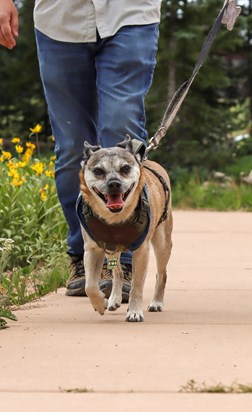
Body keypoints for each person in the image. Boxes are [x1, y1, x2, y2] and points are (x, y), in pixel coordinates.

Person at [0, 0, 162, 299]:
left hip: (131, 13)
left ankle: (125, 259)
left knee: (121, 131)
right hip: (59, 20)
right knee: (75, 149)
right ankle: (84, 253)